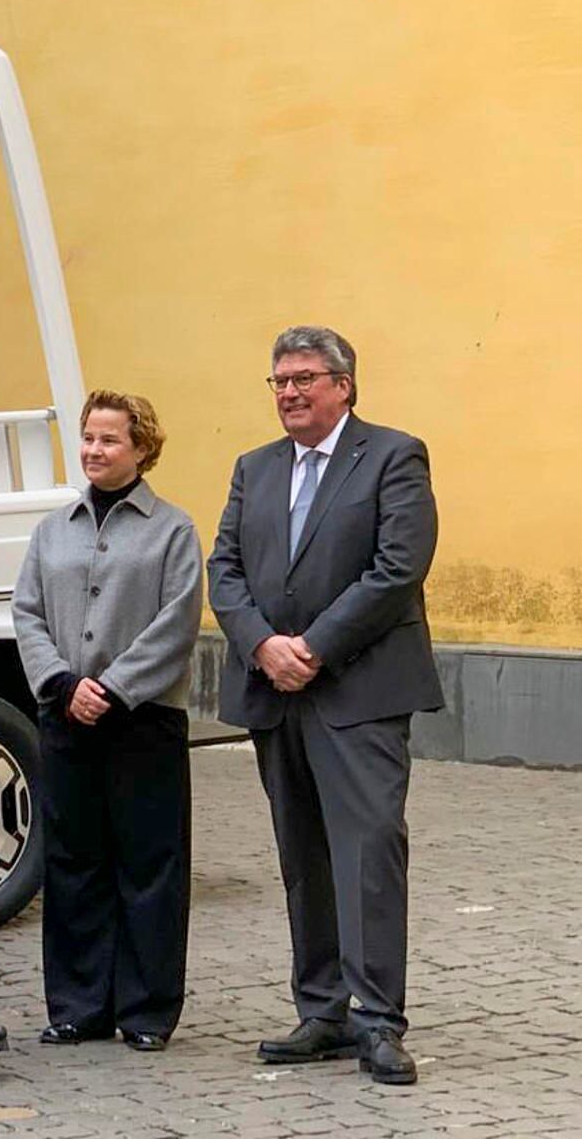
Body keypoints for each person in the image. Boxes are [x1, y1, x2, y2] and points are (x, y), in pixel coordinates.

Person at [207, 325, 441, 1087]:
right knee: (302, 857)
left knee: (369, 852)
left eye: (305, 378)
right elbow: (227, 569)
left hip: (359, 691)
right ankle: (323, 1011)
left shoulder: (394, 455)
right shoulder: (255, 468)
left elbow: (397, 566)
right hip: (277, 693)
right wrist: (262, 646)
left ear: (344, 384)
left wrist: (312, 647)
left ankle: (379, 1022)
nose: (290, 392)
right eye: (278, 381)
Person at [11, 391, 203, 1053]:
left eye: (109, 440)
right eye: (88, 438)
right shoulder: (51, 530)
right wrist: (64, 685)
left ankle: (147, 1011)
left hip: (143, 721)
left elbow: (176, 624)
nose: (94, 450)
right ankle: (77, 1005)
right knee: (73, 862)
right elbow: (26, 613)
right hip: (65, 717)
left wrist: (114, 689)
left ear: (143, 448)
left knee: (150, 864)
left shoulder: (172, 531)